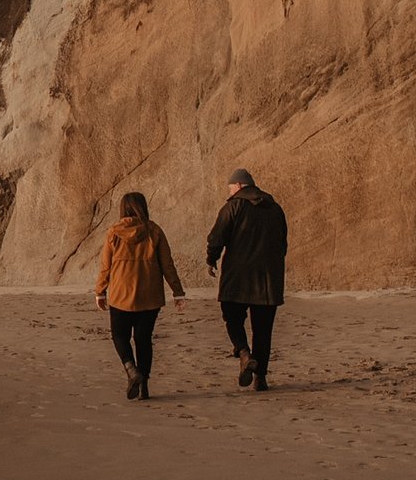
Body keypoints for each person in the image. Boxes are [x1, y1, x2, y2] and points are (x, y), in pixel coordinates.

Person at [94, 191, 187, 401]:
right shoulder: (155, 231)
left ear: (123, 208)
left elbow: (105, 266)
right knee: (143, 340)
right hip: (149, 297)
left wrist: (100, 291)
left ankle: (130, 369)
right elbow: (167, 265)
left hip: (120, 295)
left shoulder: (114, 233)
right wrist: (177, 291)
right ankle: (144, 384)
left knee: (120, 336)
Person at [206, 167, 289, 391]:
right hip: (268, 281)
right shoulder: (275, 208)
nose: (230, 192)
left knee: (232, 317)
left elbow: (217, 237)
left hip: (238, 279)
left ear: (240, 186)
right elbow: (283, 244)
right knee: (263, 331)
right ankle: (260, 378)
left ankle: (243, 353)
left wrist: (211, 259)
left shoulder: (233, 206)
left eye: (231, 188)